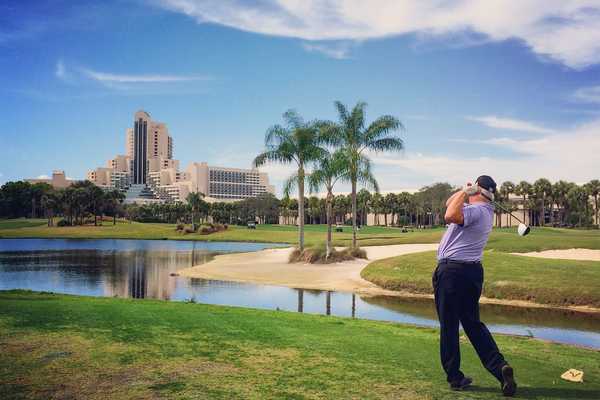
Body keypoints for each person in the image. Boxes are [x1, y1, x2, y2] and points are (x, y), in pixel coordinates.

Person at [433, 175, 517, 396]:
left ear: (478, 190)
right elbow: (449, 203)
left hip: (451, 273)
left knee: (449, 326)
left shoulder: (473, 211)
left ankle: (455, 377)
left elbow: (449, 213)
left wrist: (465, 193)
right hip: (472, 273)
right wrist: (465, 191)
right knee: (473, 324)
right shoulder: (487, 213)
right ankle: (500, 368)